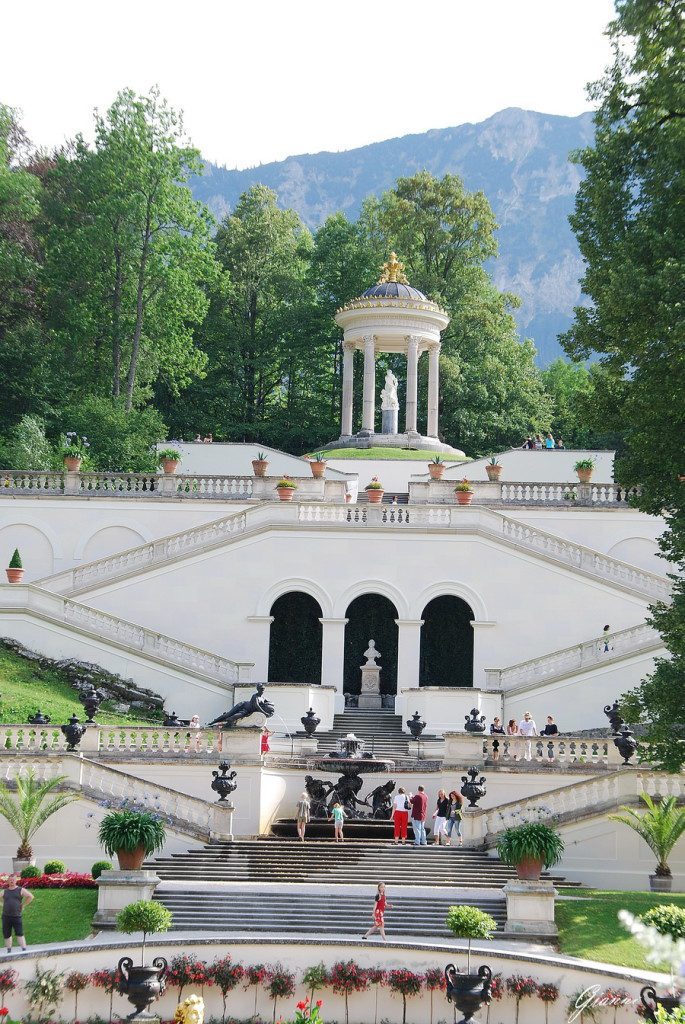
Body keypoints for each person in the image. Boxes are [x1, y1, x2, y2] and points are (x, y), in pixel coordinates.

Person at [1, 874, 33, 953]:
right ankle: (9, 951)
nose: (11, 881)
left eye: (13, 879)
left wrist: (23, 905)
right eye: (10, 880)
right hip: (6, 916)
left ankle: (24, 950)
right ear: (8, 881)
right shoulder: (4, 891)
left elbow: (30, 896)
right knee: (7, 934)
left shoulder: (20, 890)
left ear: (16, 881)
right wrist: (2, 904)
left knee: (19, 933)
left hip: (16, 916)